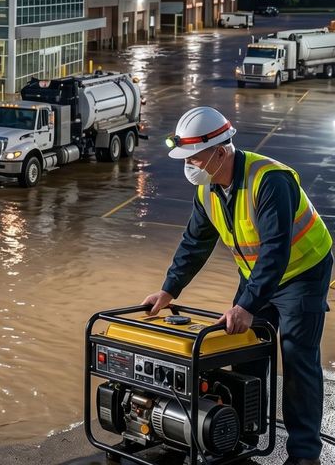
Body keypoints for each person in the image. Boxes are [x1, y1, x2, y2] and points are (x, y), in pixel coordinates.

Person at [142, 106, 331, 465]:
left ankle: (305, 456)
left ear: (220, 151)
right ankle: (239, 439)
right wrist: (169, 290)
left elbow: (275, 251)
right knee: (243, 351)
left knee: (297, 359)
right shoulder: (209, 190)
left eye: (195, 158)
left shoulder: (270, 180)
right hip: (257, 274)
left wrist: (246, 305)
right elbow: (194, 243)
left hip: (302, 273)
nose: (190, 166)